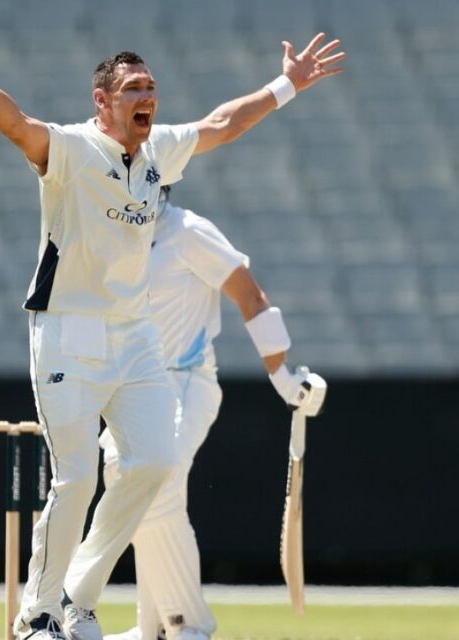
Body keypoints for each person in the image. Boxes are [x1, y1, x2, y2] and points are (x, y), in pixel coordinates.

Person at [0, 25, 344, 640]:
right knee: (78, 476)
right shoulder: (74, 149)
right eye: (134, 88)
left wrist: (286, 84)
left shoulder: (159, 151)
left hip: (135, 338)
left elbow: (222, 123)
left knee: (156, 462)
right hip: (68, 330)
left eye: (152, 87)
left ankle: (77, 598)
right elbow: (18, 126)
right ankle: (36, 617)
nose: (147, 96)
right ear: (102, 101)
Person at [99, 187, 327, 640]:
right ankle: (154, 627)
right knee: (126, 481)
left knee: (157, 480)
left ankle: (190, 625)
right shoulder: (115, 236)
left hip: (185, 382)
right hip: (136, 389)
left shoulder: (189, 231)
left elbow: (250, 295)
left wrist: (283, 376)